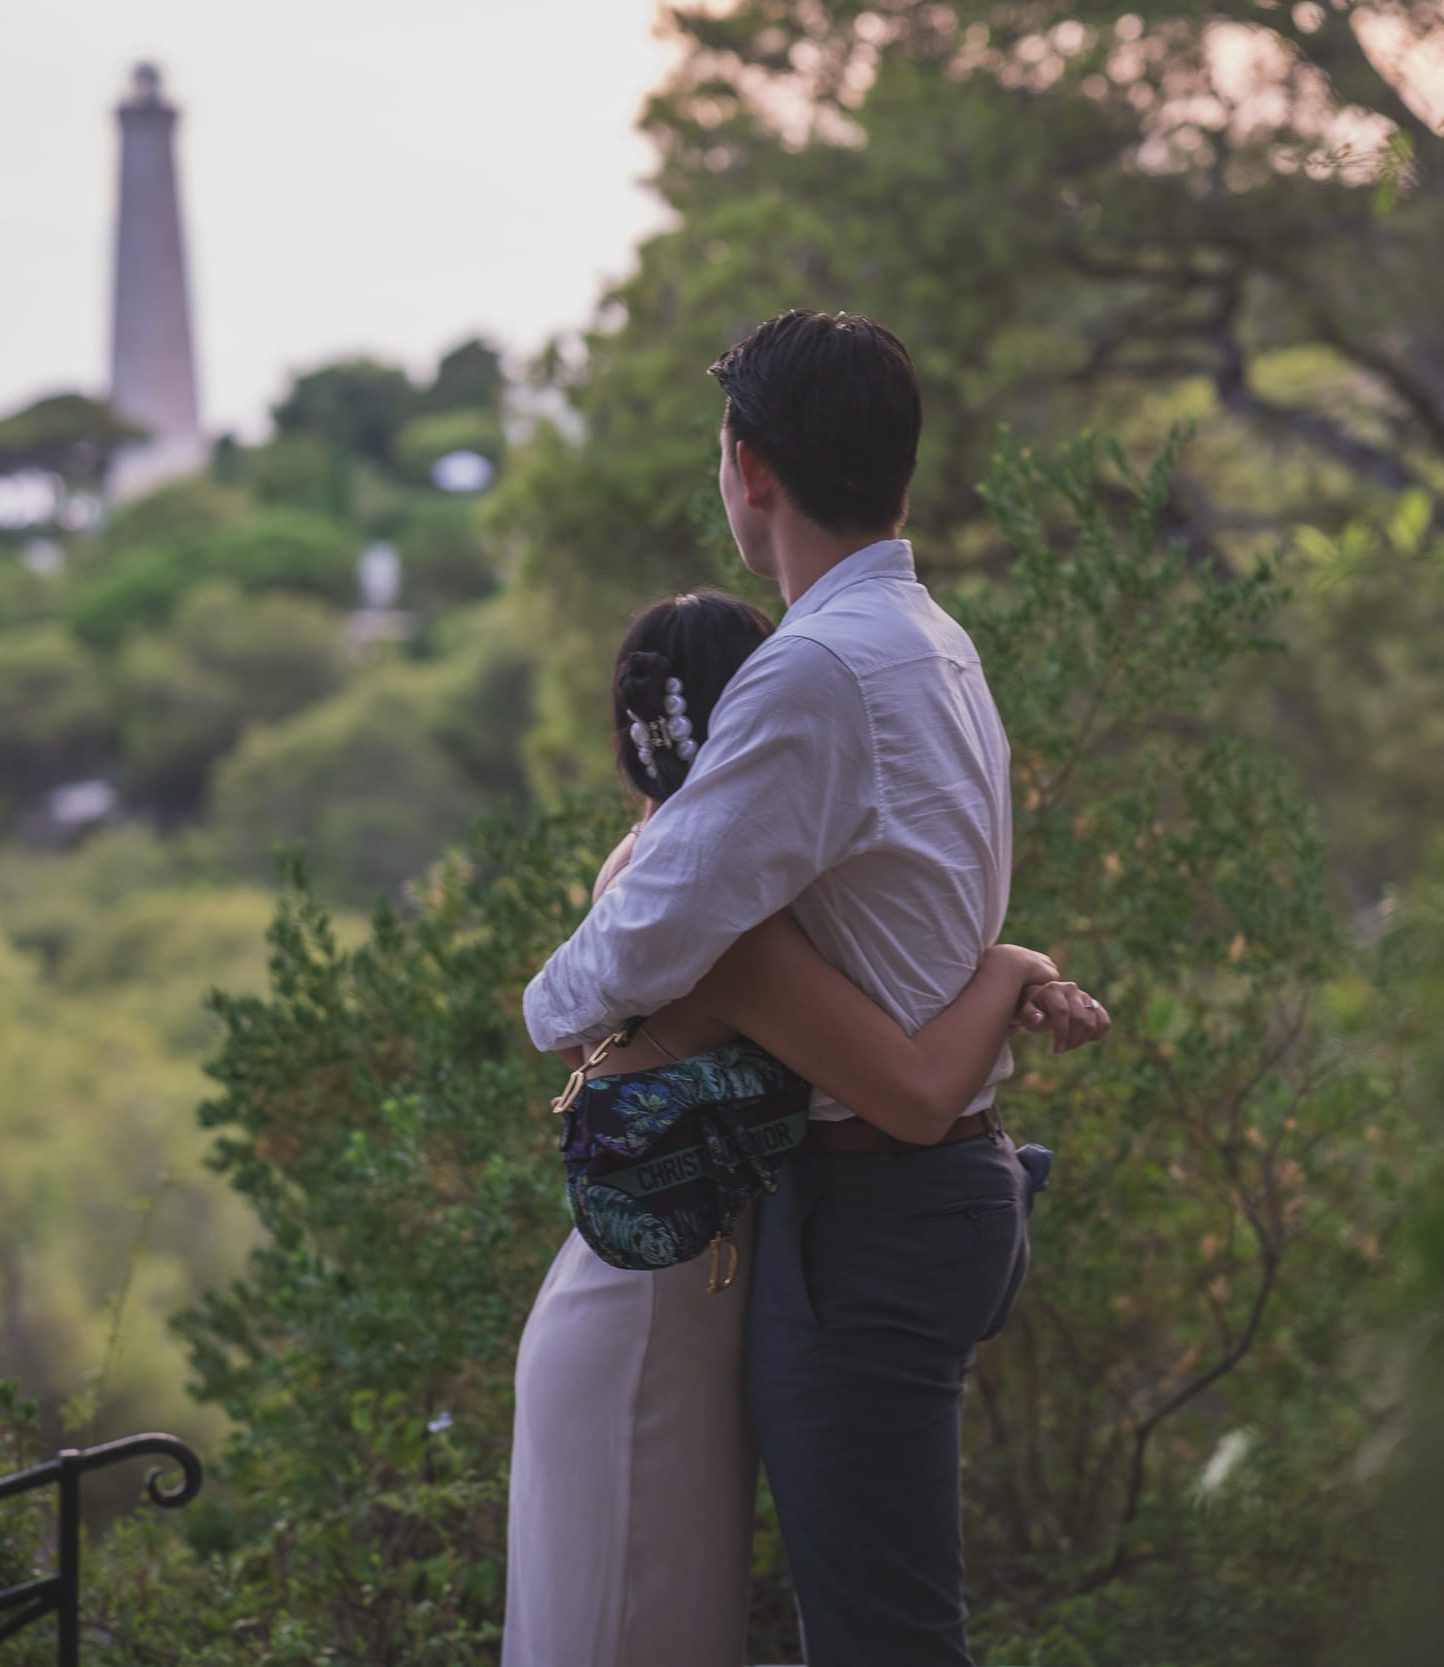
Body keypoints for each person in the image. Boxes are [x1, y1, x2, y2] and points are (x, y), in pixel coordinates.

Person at [525, 310, 1083, 1664]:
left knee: (884, 1641)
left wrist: (556, 999)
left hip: (873, 1212)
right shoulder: (932, 639)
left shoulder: (811, 673)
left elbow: (637, 946)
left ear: (747, 465)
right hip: (941, 1181)